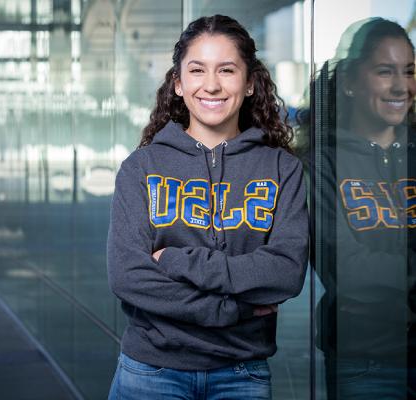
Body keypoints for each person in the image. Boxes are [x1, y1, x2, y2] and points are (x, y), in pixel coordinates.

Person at [107, 14, 309, 400]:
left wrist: (175, 261)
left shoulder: (282, 169)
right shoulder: (142, 167)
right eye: (197, 70)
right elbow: (128, 276)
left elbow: (285, 271)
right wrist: (231, 310)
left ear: (250, 83)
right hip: (150, 372)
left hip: (241, 373)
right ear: (179, 84)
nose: (212, 84)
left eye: (227, 70)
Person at [310, 18, 416, 399]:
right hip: (365, 363)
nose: (401, 86)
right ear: (351, 82)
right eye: (385, 71)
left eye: (409, 71)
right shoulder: (325, 164)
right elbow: (345, 269)